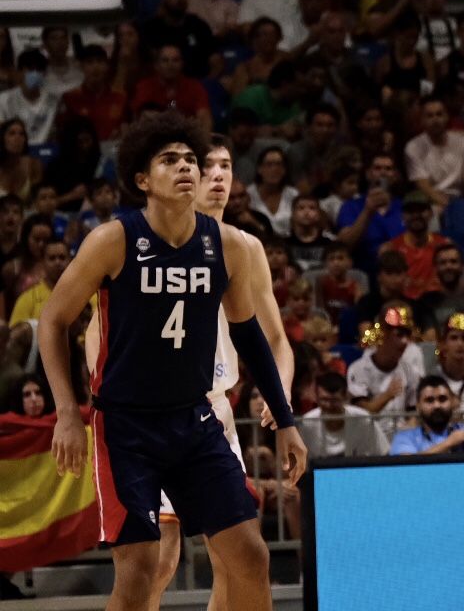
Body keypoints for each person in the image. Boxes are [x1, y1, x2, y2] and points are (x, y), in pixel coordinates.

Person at [36, 113, 304, 611]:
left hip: (195, 420)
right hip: (126, 427)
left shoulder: (225, 246)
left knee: (250, 555)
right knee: (141, 572)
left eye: (190, 160)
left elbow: (250, 333)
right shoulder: (113, 241)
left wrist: (285, 421)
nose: (186, 167)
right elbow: (53, 322)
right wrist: (69, 413)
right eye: (169, 160)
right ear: (143, 180)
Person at [150, 138, 296, 611]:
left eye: (227, 166)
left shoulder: (244, 247)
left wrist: (282, 400)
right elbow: (100, 330)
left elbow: (275, 339)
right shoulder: (145, 240)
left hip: (214, 412)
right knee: (158, 561)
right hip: (151, 411)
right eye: (207, 165)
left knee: (237, 556)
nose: (217, 175)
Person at [389, 376, 464, 455]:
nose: (437, 405)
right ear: (418, 407)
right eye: (429, 400)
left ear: (452, 402)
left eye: (442, 399)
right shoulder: (404, 438)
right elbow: (406, 467)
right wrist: (448, 443)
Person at [300, 371, 388, 458]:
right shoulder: (308, 422)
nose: (329, 405)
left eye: (334, 400)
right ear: (317, 398)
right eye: (324, 400)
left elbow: (382, 453)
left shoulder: (363, 419)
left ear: (345, 397)